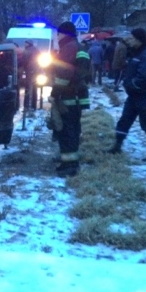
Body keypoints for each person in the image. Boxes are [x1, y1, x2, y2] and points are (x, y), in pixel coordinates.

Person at [106, 28, 146, 161]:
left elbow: (145, 75)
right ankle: (117, 145)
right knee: (125, 119)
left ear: (139, 40)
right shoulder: (136, 53)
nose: (129, 41)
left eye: (132, 39)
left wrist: (132, 84)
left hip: (145, 95)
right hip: (134, 95)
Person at [50, 21, 90, 177]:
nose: (57, 37)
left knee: (67, 131)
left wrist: (54, 93)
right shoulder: (79, 47)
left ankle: (71, 166)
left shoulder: (68, 48)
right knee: (72, 130)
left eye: (58, 34)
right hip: (77, 97)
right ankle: (69, 163)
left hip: (68, 98)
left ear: (64, 34)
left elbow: (63, 76)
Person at [20, 40, 40, 110]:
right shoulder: (36, 50)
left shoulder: (27, 50)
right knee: (35, 88)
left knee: (28, 88)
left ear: (28, 44)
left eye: (26, 43)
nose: (25, 44)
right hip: (36, 71)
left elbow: (24, 61)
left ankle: (26, 105)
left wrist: (23, 69)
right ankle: (33, 106)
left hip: (29, 71)